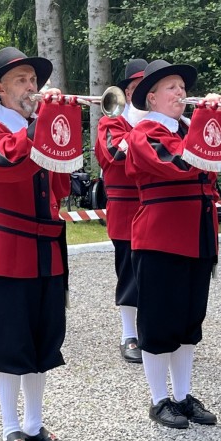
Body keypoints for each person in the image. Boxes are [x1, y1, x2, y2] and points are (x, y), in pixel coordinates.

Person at [0, 46, 78, 441]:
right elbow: (3, 163)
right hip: (11, 244)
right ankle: (10, 428)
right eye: (21, 81)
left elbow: (62, 183)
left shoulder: (41, 127)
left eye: (34, 80)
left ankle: (34, 425)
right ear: (0, 89)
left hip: (48, 243)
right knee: (12, 341)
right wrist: (44, 125)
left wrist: (58, 128)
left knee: (43, 339)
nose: (32, 88)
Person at [124, 59, 219, 430]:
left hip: (197, 234)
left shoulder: (188, 129)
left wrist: (213, 122)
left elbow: (218, 162)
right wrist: (208, 126)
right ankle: (158, 399)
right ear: (152, 98)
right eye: (172, 88)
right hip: (160, 237)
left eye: (182, 87)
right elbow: (181, 164)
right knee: (159, 321)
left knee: (188, 322)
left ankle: (182, 395)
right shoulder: (143, 131)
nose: (181, 93)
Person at [94, 58, 148, 363]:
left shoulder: (166, 123)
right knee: (129, 273)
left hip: (158, 208)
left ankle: (153, 329)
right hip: (127, 208)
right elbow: (115, 153)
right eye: (138, 87)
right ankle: (129, 334)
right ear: (127, 93)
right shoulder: (111, 122)